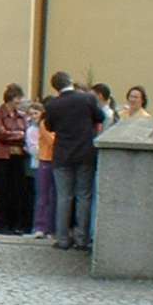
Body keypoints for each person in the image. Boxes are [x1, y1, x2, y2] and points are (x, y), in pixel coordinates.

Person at [43, 70, 106, 251]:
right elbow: (100, 117)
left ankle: (62, 238)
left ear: (56, 87)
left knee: (64, 197)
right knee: (84, 196)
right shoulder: (87, 99)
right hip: (85, 153)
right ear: (70, 81)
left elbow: (49, 126)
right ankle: (81, 239)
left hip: (62, 155)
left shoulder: (54, 104)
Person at [0, 85, 28, 234]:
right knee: (3, 191)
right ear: (10, 100)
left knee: (17, 191)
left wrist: (16, 135)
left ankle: (15, 224)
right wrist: (17, 135)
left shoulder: (21, 115)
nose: (19, 105)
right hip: (2, 156)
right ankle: (2, 224)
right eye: (17, 101)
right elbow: (1, 134)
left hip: (18, 156)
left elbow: (26, 132)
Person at [30, 102, 56, 239]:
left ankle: (51, 228)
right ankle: (40, 226)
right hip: (46, 159)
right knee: (43, 196)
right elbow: (52, 140)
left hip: (56, 161)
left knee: (54, 197)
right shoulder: (44, 123)